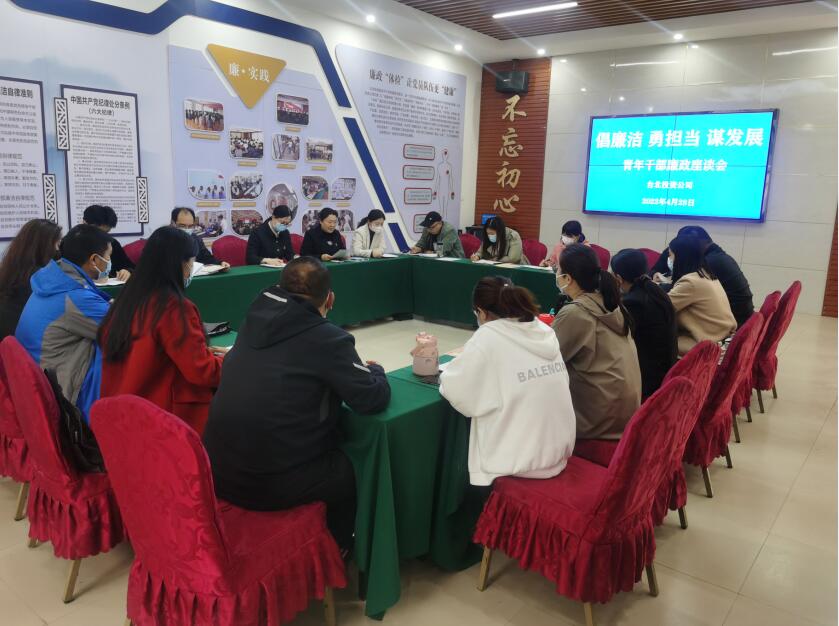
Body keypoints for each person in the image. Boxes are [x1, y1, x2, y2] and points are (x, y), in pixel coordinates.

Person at [203, 257, 391, 550]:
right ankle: (337, 548)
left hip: (218, 469)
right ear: (330, 299)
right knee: (355, 465)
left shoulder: (253, 318)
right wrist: (376, 371)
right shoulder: (329, 339)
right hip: (268, 483)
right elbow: (371, 399)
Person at [439, 277, 576, 486]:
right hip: (558, 452)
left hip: (519, 462)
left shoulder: (489, 336)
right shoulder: (543, 331)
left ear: (481, 312)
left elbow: (457, 390)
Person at [99, 227, 224, 434]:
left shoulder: (126, 299)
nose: (191, 269)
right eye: (192, 262)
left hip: (124, 413)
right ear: (180, 263)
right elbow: (201, 372)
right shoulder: (174, 307)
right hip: (166, 419)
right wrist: (231, 361)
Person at [15, 225, 112, 422]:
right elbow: (124, 326)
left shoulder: (53, 279)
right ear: (94, 260)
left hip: (36, 381)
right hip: (60, 393)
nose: (109, 262)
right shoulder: (75, 297)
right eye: (108, 256)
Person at [552, 244, 641, 440]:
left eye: (557, 269)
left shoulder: (575, 312)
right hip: (622, 414)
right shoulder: (611, 303)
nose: (555, 273)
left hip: (597, 421)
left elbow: (547, 361)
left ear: (568, 278)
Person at [651, 226, 754, 327]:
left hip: (735, 321)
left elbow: (684, 288)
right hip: (736, 319)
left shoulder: (709, 263)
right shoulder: (716, 257)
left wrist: (654, 286)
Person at [611, 248, 678, 399]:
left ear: (618, 278)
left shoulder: (634, 302)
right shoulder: (654, 289)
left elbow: (617, 339)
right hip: (664, 371)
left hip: (647, 382)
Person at [666, 234, 737, 356]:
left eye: (670, 255)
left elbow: (661, 307)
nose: (669, 259)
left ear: (680, 257)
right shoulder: (706, 275)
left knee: (650, 341)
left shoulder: (690, 282)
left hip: (709, 346)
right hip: (723, 338)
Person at [0, 219, 63, 339]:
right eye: (57, 243)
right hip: (25, 337)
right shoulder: (41, 277)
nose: (57, 249)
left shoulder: (10, 268)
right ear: (45, 246)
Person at [83, 204, 134, 281]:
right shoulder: (72, 245)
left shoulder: (112, 243)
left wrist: (128, 271)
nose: (102, 237)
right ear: (85, 223)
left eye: (106, 233)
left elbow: (130, 266)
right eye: (98, 232)